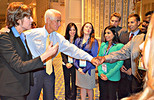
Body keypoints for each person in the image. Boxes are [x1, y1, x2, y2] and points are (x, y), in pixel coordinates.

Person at [24, 9, 99, 100]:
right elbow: (15, 38)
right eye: (57, 21)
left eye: (60, 21)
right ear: (48, 20)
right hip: (35, 72)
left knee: (50, 97)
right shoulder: (31, 34)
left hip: (49, 72)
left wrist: (91, 59)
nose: (60, 24)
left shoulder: (58, 38)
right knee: (31, 97)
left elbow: (74, 50)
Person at [0, 2, 58, 100]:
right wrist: (46, 55)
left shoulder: (21, 36)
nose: (32, 20)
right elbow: (19, 65)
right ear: (18, 20)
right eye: (28, 17)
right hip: (11, 91)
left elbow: (27, 60)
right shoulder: (5, 38)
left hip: (23, 88)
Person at [122, 13, 154, 100]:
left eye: (147, 22)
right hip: (136, 77)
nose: (144, 24)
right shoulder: (138, 38)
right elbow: (123, 52)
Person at [117, 14, 142, 99]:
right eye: (128, 22)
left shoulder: (143, 37)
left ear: (138, 23)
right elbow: (120, 52)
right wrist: (121, 66)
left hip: (135, 74)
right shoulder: (123, 36)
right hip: (123, 71)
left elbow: (141, 55)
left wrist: (133, 68)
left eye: (132, 22)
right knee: (122, 95)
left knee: (134, 95)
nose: (130, 24)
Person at [74, 22, 99, 100]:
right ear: (83, 28)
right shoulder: (78, 40)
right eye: (86, 27)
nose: (88, 29)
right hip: (79, 68)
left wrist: (84, 70)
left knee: (89, 87)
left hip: (89, 68)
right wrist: (78, 68)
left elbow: (93, 57)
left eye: (90, 28)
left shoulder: (94, 41)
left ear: (92, 30)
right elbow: (75, 54)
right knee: (82, 87)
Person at [98, 25, 124, 100]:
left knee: (111, 97)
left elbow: (119, 64)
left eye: (108, 33)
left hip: (113, 76)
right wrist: (101, 73)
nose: (106, 35)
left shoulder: (119, 46)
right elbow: (99, 59)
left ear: (114, 34)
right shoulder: (103, 45)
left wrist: (108, 75)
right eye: (105, 33)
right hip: (102, 75)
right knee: (102, 96)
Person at [61, 22, 78, 100]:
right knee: (67, 81)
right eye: (70, 30)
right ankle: (67, 98)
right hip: (65, 64)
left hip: (75, 64)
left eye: (74, 30)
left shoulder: (78, 40)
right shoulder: (64, 40)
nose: (72, 32)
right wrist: (66, 62)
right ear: (68, 31)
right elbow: (62, 52)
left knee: (74, 82)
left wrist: (73, 62)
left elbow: (78, 53)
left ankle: (73, 97)